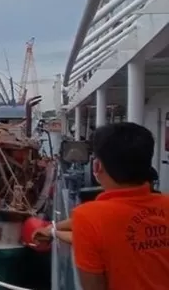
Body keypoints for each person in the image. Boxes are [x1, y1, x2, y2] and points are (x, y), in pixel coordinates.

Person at [34, 122, 169, 290]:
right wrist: (53, 229)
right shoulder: (165, 204)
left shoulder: (89, 217)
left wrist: (53, 231)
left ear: (97, 167)